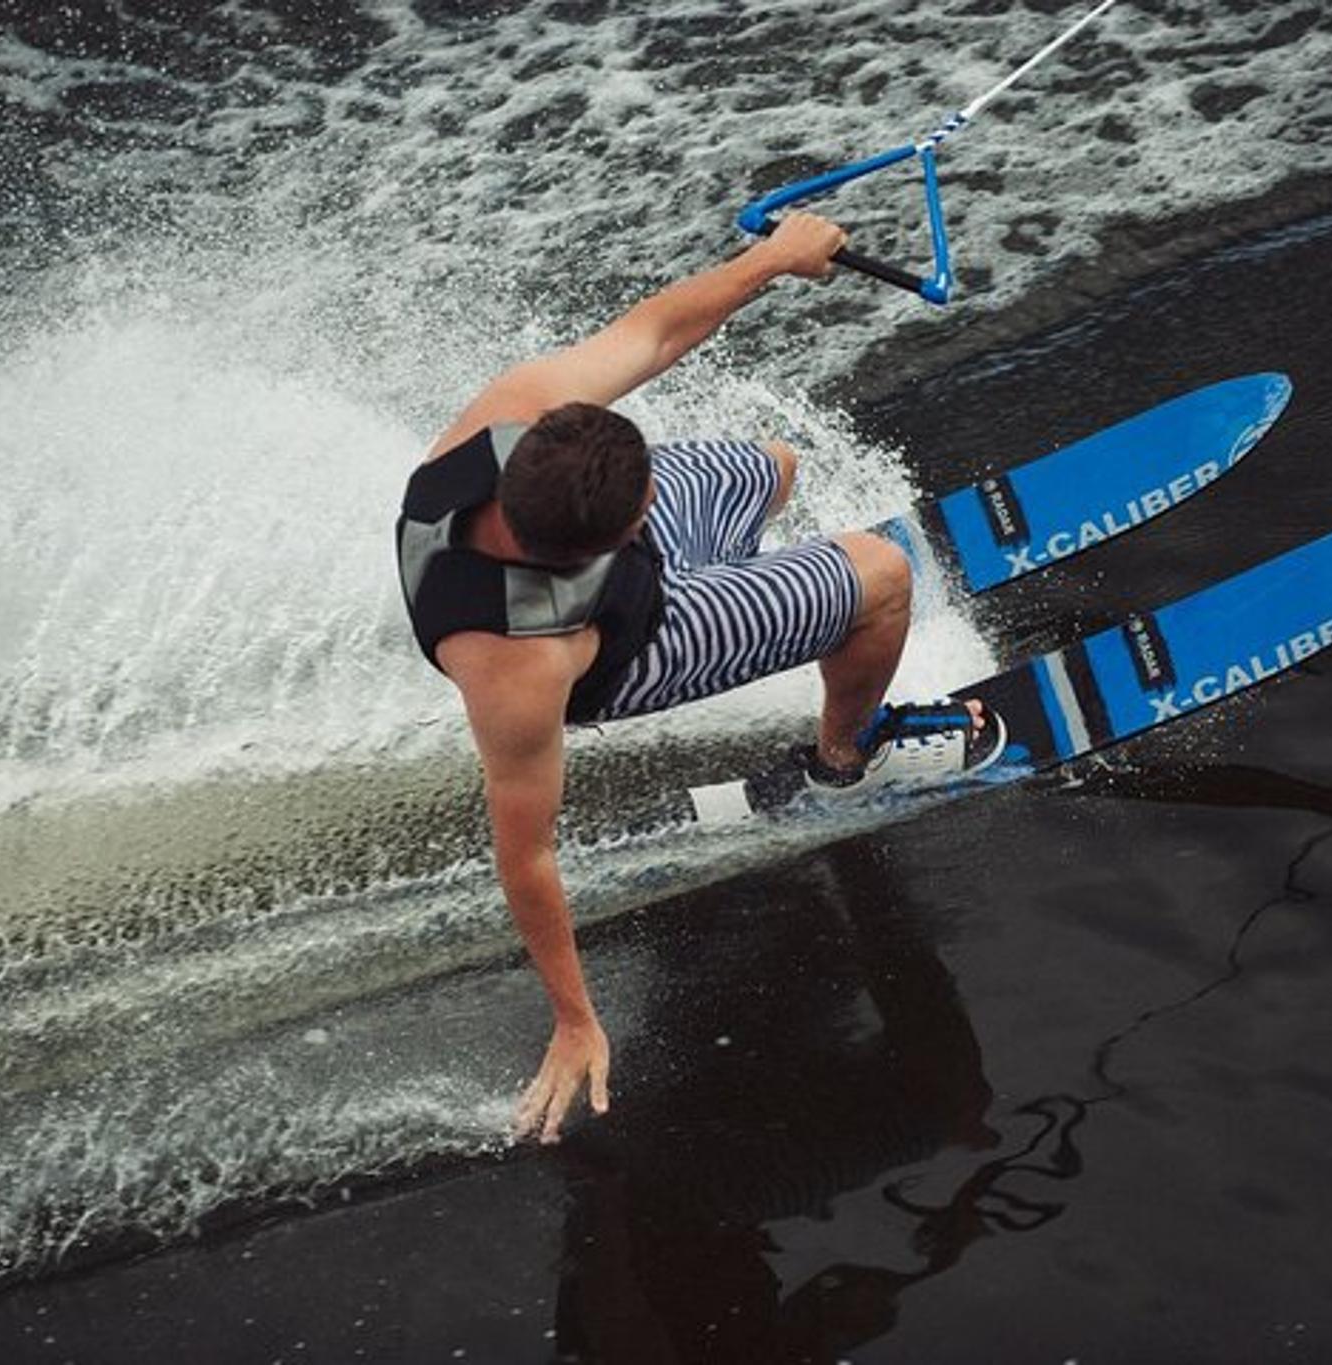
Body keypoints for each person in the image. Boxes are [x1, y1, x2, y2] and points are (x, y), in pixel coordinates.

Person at [398, 212, 1000, 1143]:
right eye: (639, 508)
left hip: (613, 572)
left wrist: (773, 258)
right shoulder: (517, 665)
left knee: (770, 465)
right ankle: (847, 755)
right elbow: (526, 857)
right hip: (633, 645)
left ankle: (777, 593)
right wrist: (573, 1017)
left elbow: (653, 331)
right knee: (883, 576)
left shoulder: (515, 423)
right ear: (604, 542)